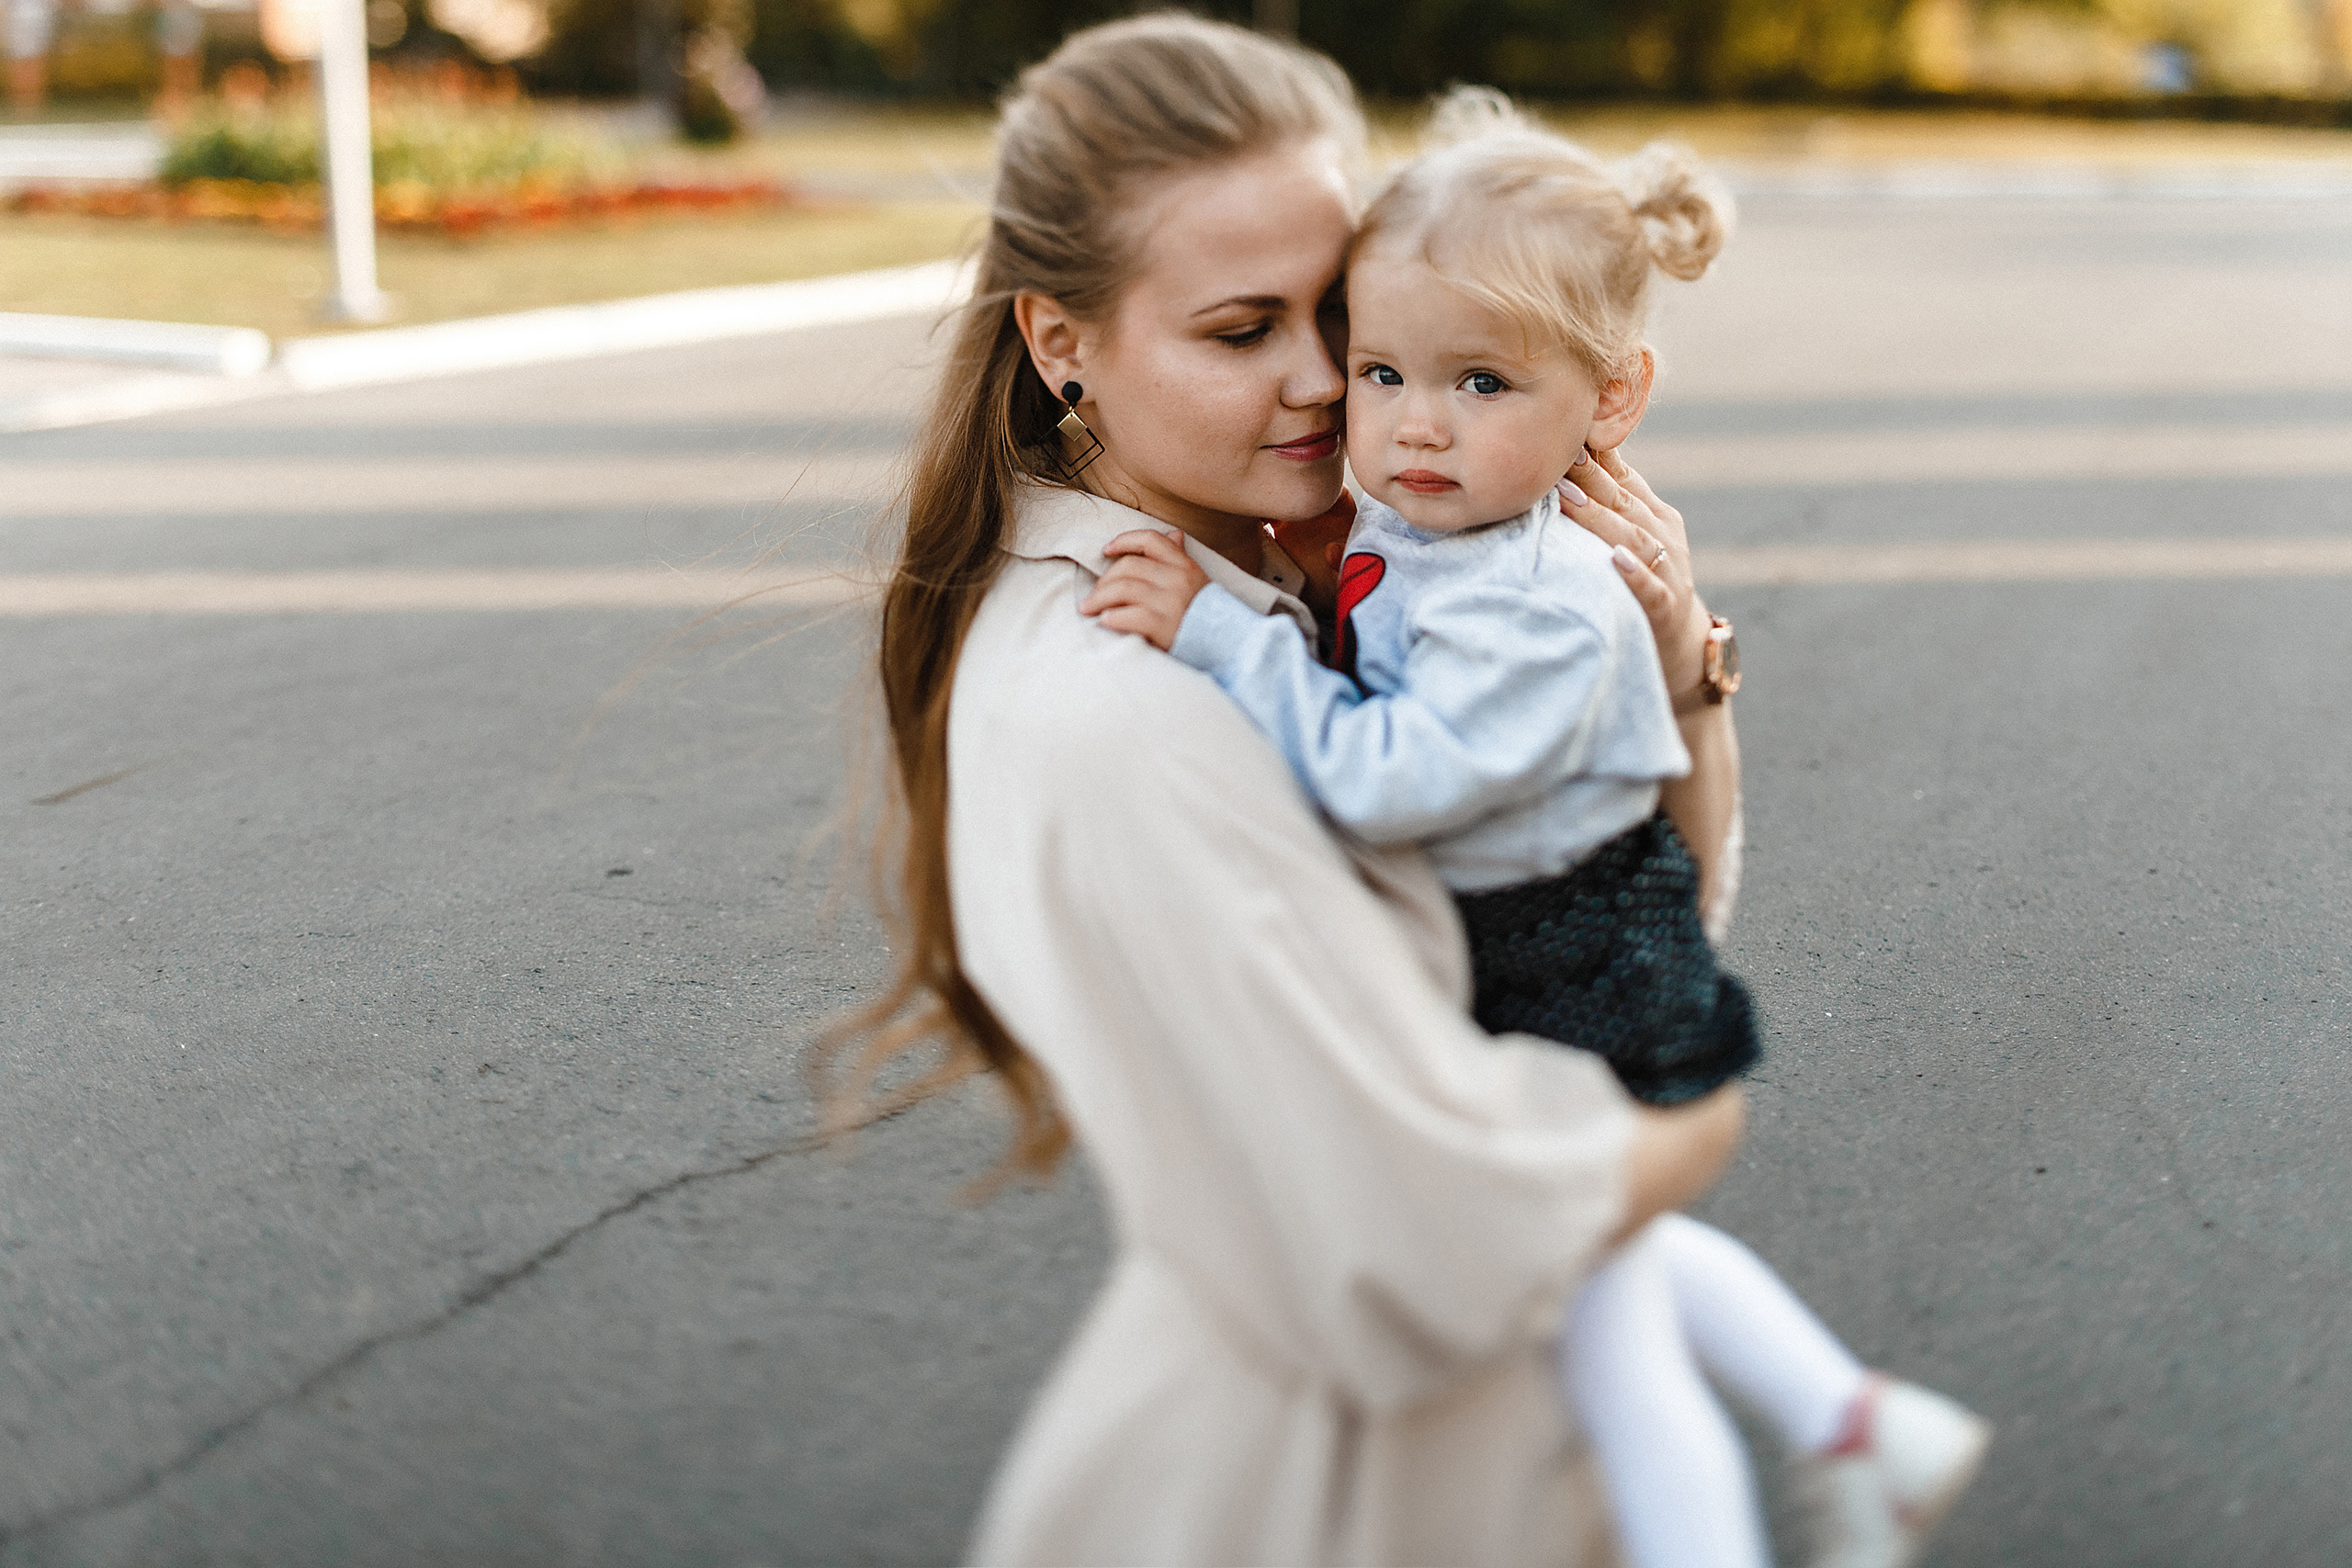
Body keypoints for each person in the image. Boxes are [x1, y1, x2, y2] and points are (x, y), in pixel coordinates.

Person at [845, 17, 1738, 1564]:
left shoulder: (1289, 587)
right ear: (1061, 344)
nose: (1329, 381)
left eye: (1335, 312)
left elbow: (1558, 912)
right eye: (1241, 329)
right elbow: (1439, 1242)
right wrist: (1699, 1114)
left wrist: (1673, 675)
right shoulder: (1140, 704)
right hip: (1313, 1499)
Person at [1081, 89, 1989, 1568]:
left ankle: (1755, 1510)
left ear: (1610, 402)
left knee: (1599, 1327)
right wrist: (1333, 554)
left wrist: (1223, 635)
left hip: (1566, 970)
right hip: (1534, 949)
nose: (1416, 423)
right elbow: (1388, 590)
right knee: (1608, 1267)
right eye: (1382, 370)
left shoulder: (1541, 607)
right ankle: (1854, 1423)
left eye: (1484, 382)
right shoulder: (1446, 514)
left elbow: (1382, 779)